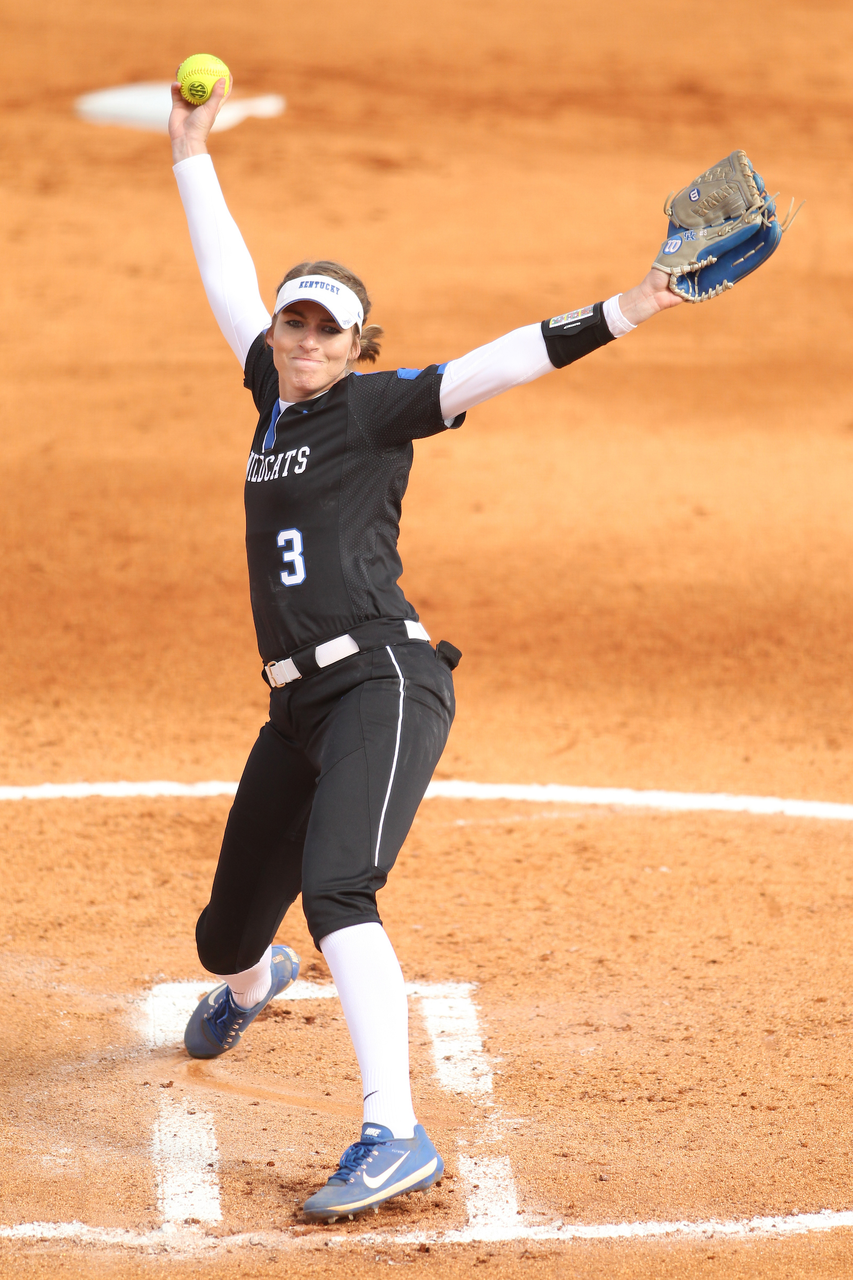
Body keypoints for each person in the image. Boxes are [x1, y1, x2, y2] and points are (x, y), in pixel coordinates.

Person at [168, 76, 681, 1224]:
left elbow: (501, 361)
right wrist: (190, 149)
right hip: (294, 709)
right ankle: (255, 981)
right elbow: (222, 280)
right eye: (293, 322)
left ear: (358, 345)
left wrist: (630, 304)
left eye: (324, 327)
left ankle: (392, 1130)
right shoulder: (272, 395)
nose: (301, 338)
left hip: (383, 682)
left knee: (338, 885)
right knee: (220, 938)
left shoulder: (376, 405)